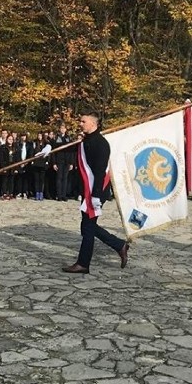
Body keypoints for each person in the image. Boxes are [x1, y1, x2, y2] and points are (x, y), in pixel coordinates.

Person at [63, 112, 129, 274]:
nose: (80, 123)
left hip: (96, 191)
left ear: (94, 124)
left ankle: (83, 263)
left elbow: (100, 171)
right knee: (88, 226)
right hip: (88, 190)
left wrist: (96, 196)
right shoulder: (87, 141)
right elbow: (71, 150)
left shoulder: (101, 143)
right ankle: (119, 245)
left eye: (83, 121)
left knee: (88, 227)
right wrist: (49, 148)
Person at [51, 123, 74, 202]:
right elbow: (53, 152)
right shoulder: (56, 138)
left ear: (66, 130)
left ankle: (64, 195)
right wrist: (54, 163)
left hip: (67, 161)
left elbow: (71, 151)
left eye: (64, 128)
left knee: (65, 178)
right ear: (59, 129)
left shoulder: (69, 138)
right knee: (59, 178)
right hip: (59, 161)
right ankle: (59, 195)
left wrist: (71, 163)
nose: (62, 130)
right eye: (61, 128)